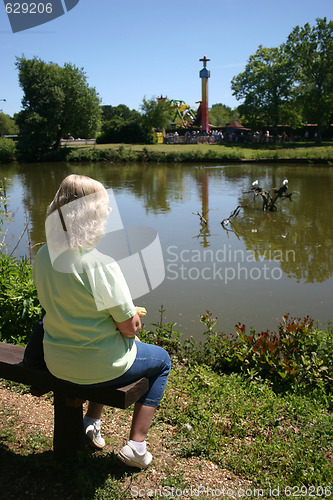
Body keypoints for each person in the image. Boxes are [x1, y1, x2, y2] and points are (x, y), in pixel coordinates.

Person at [33, 174, 171, 469]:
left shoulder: (44, 254)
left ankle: (92, 420)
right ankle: (136, 445)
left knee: (108, 344)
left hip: (57, 359)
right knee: (161, 360)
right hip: (98, 365)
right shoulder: (99, 264)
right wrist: (133, 314)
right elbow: (129, 326)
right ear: (92, 215)